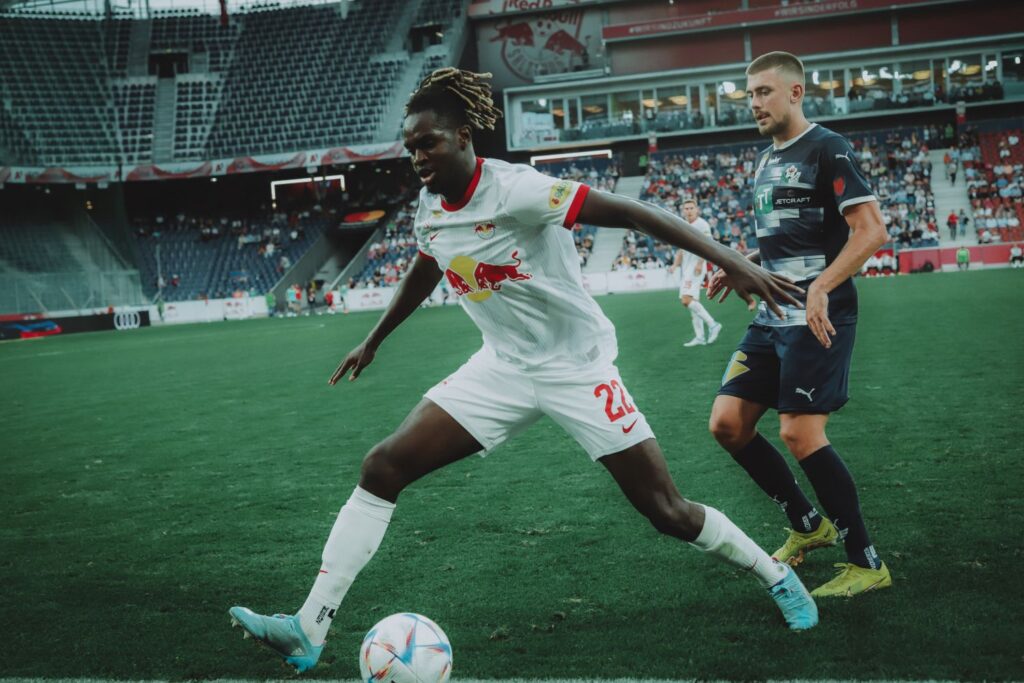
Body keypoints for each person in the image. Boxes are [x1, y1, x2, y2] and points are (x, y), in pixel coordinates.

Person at [228, 67, 817, 674]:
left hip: (577, 368)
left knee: (665, 510)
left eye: (427, 142)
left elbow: (635, 214)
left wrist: (732, 261)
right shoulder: (429, 207)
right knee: (383, 465)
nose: (417, 156)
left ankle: (775, 576)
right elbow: (429, 263)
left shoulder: (520, 190)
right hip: (501, 370)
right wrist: (374, 338)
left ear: (462, 135)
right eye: (409, 148)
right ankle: (308, 628)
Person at [707, 51, 892, 599]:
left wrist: (820, 287)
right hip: (771, 313)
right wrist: (742, 266)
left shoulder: (828, 148)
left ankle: (866, 560)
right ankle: (810, 526)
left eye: (764, 92)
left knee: (799, 431)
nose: (754, 103)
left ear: (795, 92)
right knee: (727, 425)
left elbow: (871, 231)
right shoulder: (764, 161)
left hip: (819, 315)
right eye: (750, 94)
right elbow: (783, 245)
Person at [667, 199, 722, 347]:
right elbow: (680, 250)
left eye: (691, 208)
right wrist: (674, 265)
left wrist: (700, 263)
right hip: (686, 268)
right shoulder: (682, 225)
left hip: (695, 267)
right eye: (686, 208)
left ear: (697, 209)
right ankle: (700, 337)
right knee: (692, 303)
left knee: (686, 300)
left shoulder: (702, 224)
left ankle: (713, 324)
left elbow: (707, 245)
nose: (689, 211)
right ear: (683, 211)